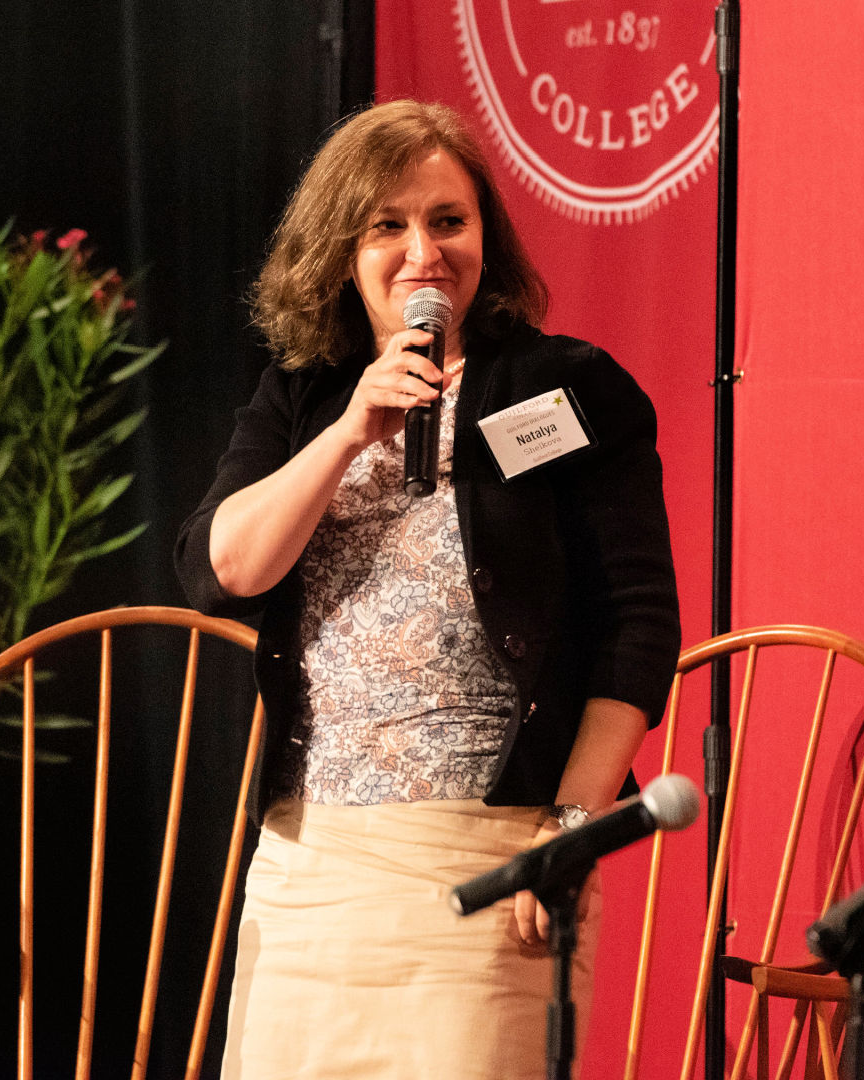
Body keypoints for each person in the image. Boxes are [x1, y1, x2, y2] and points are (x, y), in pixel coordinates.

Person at [174, 99, 680, 1080]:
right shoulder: (304, 396)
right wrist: (349, 432)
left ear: (485, 234)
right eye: (388, 225)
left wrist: (570, 827)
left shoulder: (567, 392)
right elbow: (222, 569)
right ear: (342, 249)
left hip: (494, 864)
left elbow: (638, 628)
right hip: (310, 872)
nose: (424, 253)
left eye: (449, 220)